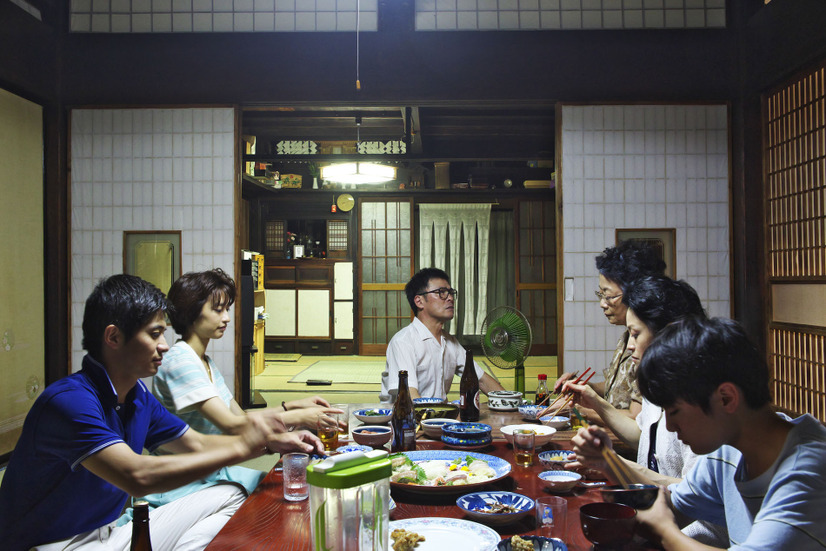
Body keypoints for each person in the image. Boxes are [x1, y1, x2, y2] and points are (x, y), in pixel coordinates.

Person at [0, 274, 322, 551]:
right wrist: (246, 444)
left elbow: (196, 444)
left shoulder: (136, 395)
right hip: (57, 544)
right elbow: (137, 476)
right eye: (154, 334)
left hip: (110, 533)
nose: (164, 345)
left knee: (232, 491)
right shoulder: (70, 402)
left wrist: (269, 442)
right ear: (113, 337)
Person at [599, 316, 825, 550]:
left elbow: (667, 522)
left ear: (726, 398)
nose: (669, 426)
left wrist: (665, 532)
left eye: (674, 411)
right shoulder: (728, 450)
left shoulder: (808, 471)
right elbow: (675, 504)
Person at [148, 268, 341, 510]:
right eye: (217, 310)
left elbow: (240, 417)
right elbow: (233, 426)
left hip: (213, 471)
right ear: (191, 313)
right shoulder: (181, 360)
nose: (227, 318)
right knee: (281, 498)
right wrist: (297, 417)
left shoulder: (204, 361)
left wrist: (292, 405)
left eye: (226, 309)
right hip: (184, 483)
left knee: (293, 487)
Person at [569, 276, 726, 544]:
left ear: (670, 332)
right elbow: (645, 436)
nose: (630, 345)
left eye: (635, 334)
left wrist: (613, 463)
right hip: (655, 523)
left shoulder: (701, 403)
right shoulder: (658, 382)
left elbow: (690, 498)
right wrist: (594, 402)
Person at [554, 240, 666, 421]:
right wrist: (584, 388)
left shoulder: (650, 345)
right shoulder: (627, 337)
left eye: (609, 296)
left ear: (636, 292)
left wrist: (577, 410)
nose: (602, 304)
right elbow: (618, 389)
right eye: (601, 295)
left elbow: (636, 418)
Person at [380, 267, 505, 400]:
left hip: (439, 417)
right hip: (406, 418)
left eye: (451, 293)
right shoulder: (403, 342)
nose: (450, 298)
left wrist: (512, 403)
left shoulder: (450, 342)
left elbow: (481, 380)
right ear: (419, 301)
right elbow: (410, 396)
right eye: (441, 292)